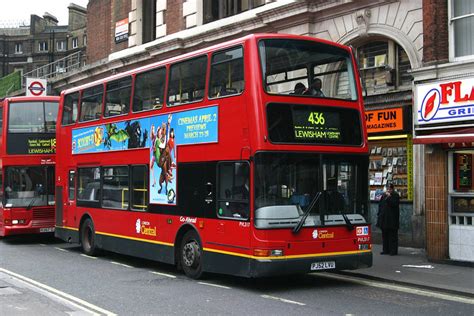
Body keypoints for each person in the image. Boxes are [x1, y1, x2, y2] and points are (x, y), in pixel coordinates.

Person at [377, 183, 400, 255]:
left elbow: (394, 204)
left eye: (389, 189)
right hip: (384, 219)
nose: (388, 190)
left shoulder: (395, 195)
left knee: (392, 236)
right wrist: (379, 215)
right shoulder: (383, 196)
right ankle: (385, 250)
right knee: (385, 235)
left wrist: (389, 197)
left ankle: (393, 251)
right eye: (387, 189)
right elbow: (380, 206)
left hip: (392, 219)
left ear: (392, 189)